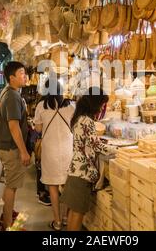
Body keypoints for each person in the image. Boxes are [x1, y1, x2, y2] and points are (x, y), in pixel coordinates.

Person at [60, 87, 117, 231]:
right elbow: (95, 145)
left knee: (73, 212)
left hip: (75, 171)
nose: (102, 108)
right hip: (82, 174)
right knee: (78, 214)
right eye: (102, 105)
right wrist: (117, 150)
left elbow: (88, 143)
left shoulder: (79, 118)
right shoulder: (87, 121)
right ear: (95, 103)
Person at [34, 79, 75, 231]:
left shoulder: (41, 106)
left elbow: (38, 129)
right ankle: (65, 218)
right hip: (67, 150)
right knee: (66, 184)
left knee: (52, 185)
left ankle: (57, 221)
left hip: (50, 150)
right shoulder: (70, 106)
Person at [0, 61, 31, 230]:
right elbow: (13, 125)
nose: (25, 76)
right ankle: (8, 225)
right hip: (12, 148)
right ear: (12, 78)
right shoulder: (12, 96)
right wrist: (24, 151)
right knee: (12, 186)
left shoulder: (7, 92)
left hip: (7, 146)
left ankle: (7, 215)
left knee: (10, 183)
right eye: (22, 73)